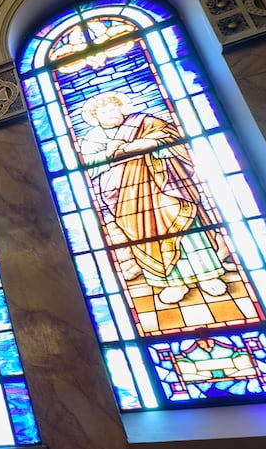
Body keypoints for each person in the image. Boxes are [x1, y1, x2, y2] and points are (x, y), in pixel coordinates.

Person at [78, 91, 230, 306]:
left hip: (166, 185)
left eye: (113, 108)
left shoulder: (144, 122)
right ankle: (172, 282)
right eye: (104, 112)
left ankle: (207, 274)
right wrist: (111, 153)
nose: (110, 113)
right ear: (95, 117)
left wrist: (144, 145)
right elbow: (90, 166)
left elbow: (172, 140)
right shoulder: (92, 139)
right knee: (147, 235)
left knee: (186, 225)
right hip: (127, 196)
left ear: (121, 107)